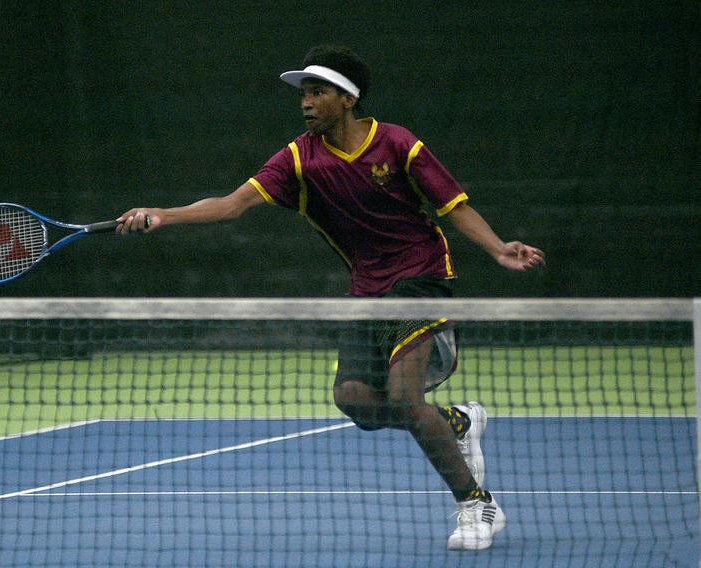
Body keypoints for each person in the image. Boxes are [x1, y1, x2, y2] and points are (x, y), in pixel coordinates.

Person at [116, 44, 545, 551]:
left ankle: (476, 505)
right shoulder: (299, 158)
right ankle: (457, 421)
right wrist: (165, 214)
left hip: (421, 277)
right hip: (367, 290)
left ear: (347, 98)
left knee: (407, 398)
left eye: (317, 91)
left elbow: (453, 205)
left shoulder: (399, 145)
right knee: (355, 400)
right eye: (304, 93)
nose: (306, 101)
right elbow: (233, 205)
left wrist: (497, 248)